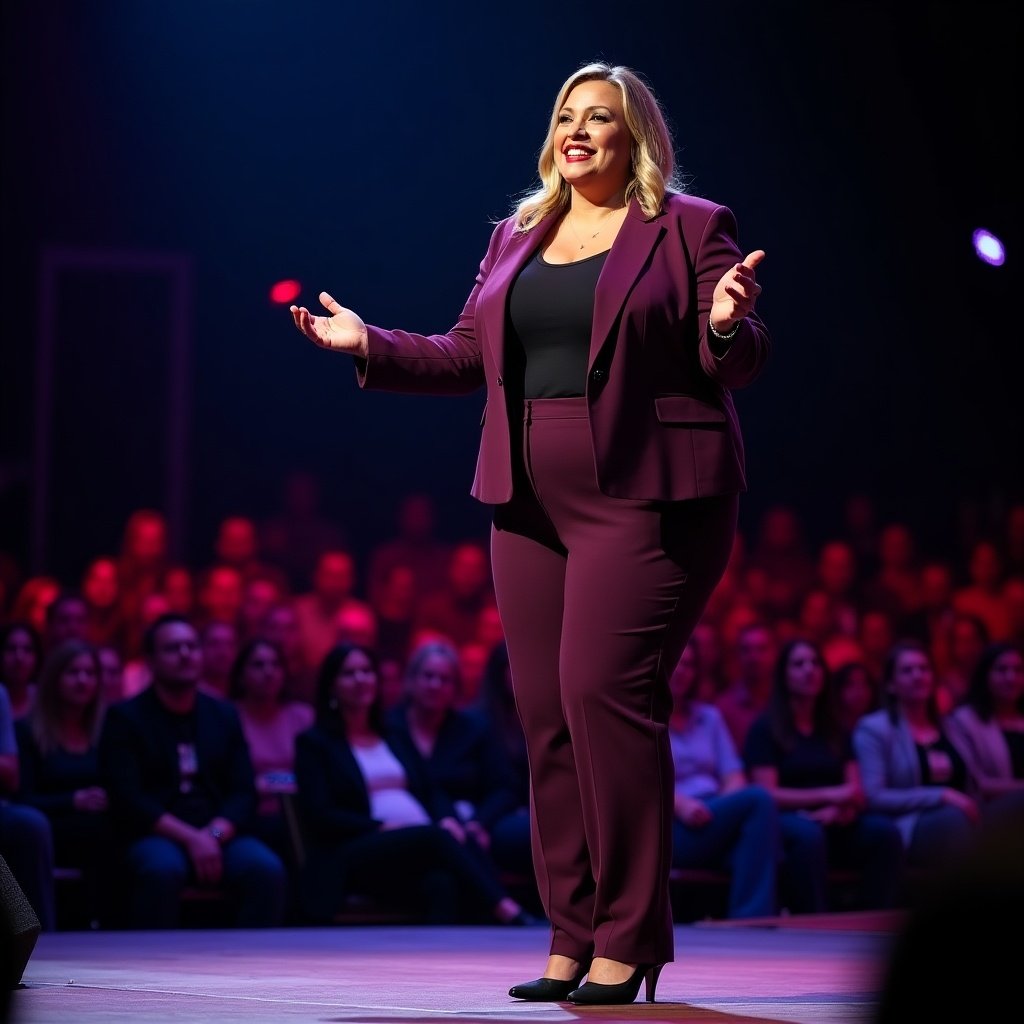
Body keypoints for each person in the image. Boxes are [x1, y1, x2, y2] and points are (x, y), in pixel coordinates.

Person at [290, 60, 769, 1005]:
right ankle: (572, 932)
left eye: (599, 118)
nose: (578, 129)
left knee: (604, 695)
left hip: (647, 492)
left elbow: (739, 354)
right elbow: (469, 351)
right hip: (527, 500)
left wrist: (722, 326)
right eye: (566, 116)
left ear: (634, 138)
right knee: (545, 713)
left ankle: (629, 939)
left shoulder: (689, 225)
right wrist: (370, 344)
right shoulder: (519, 233)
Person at [292, 642, 534, 926]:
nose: (361, 679)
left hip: (409, 846)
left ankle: (440, 961)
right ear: (332, 686)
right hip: (354, 846)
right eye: (349, 673)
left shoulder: (392, 734)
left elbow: (430, 789)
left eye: (367, 671)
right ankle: (507, 910)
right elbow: (321, 815)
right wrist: (382, 826)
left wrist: (447, 819)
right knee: (437, 836)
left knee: (441, 878)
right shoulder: (315, 743)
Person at [98, 613, 287, 929]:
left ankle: (253, 969)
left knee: (265, 869)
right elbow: (128, 797)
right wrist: (191, 839)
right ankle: (152, 970)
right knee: (162, 870)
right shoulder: (126, 718)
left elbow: (243, 791)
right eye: (173, 648)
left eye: (192, 646)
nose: (185, 654)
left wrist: (211, 835)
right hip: (156, 833)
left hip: (217, 833)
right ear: (152, 661)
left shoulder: (223, 714)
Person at [743, 639, 904, 914]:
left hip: (836, 817)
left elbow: (855, 790)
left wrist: (841, 809)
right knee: (809, 836)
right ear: (784, 675)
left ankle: (873, 922)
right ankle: (814, 922)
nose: (809, 670)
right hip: (787, 819)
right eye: (799, 664)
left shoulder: (834, 727)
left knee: (884, 834)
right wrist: (828, 796)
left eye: (815, 663)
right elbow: (767, 793)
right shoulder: (765, 728)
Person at [667, 640, 780, 920]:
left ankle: (748, 919)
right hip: (670, 822)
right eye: (676, 662)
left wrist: (723, 807)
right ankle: (751, 918)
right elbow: (637, 783)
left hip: (714, 811)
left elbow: (733, 775)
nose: (682, 671)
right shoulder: (642, 717)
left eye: (690, 664)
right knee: (760, 799)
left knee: (762, 826)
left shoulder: (710, 717)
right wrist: (681, 806)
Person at [852, 639, 980, 878]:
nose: (918, 676)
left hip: (965, 813)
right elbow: (874, 796)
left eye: (924, 669)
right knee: (953, 821)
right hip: (910, 823)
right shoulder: (874, 729)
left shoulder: (951, 726)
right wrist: (942, 796)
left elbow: (975, 783)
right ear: (891, 684)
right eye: (907, 670)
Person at [14, 639, 114, 929]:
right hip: (49, 829)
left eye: (90, 673)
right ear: (53, 678)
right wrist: (73, 800)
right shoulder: (28, 732)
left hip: (100, 827)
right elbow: (22, 798)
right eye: (72, 672)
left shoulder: (107, 730)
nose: (82, 680)